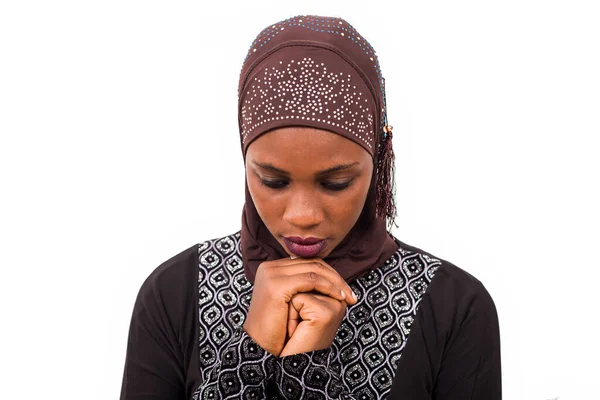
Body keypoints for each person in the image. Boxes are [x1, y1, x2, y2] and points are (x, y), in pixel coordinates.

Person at [119, 15, 502, 399]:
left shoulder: (453, 309)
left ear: (379, 161)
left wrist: (307, 369)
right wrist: (251, 351)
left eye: (336, 183)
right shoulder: (177, 294)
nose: (302, 216)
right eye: (273, 181)